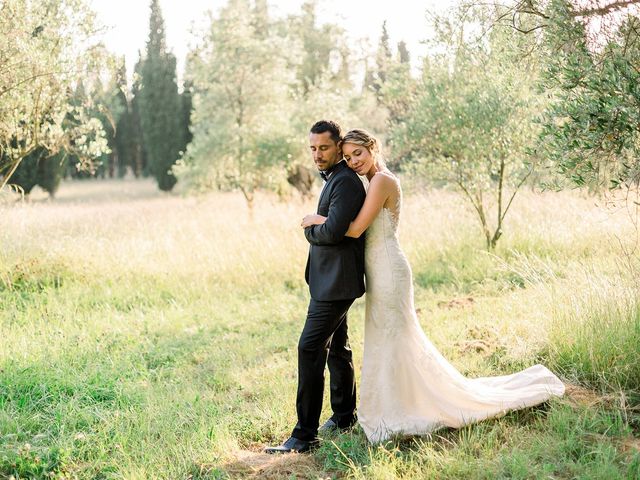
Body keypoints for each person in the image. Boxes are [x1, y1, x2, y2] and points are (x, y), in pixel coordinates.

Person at [301, 128, 565, 443]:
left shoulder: (382, 181)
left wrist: (319, 221)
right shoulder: (366, 182)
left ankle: (407, 406)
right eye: (347, 157)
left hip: (389, 268)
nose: (353, 161)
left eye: (358, 153)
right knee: (387, 339)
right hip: (376, 268)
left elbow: (355, 230)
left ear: (374, 148)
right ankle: (391, 403)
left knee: (394, 337)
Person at [265, 120, 366, 454]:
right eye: (312, 148)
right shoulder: (335, 179)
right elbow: (332, 228)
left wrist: (310, 228)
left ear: (338, 146)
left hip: (337, 284)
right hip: (330, 281)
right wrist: (317, 225)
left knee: (309, 349)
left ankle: (304, 434)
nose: (317, 154)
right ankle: (343, 415)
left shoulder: (346, 183)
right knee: (338, 348)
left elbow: (334, 232)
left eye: (323, 147)